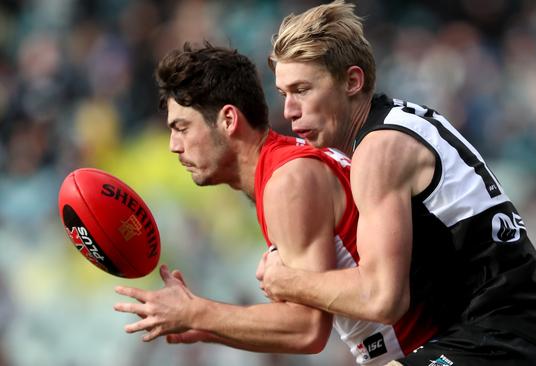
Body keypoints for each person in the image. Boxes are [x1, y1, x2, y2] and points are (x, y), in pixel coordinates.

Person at [258, 1, 536, 365]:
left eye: (303, 89)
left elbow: (382, 298)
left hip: (498, 344)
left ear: (352, 81)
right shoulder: (396, 124)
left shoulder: (379, 149)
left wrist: (286, 280)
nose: (289, 110)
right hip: (502, 338)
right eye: (283, 94)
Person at [113, 42, 436, 365]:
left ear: (228, 119)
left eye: (182, 128)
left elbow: (307, 330)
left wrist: (197, 312)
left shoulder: (288, 181)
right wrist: (200, 322)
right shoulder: (283, 168)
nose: (173, 146)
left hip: (427, 349)